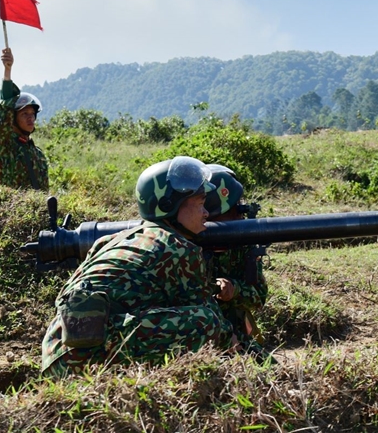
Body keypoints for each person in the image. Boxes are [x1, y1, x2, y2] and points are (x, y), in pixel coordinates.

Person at [40, 156, 240, 376]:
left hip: (56, 353)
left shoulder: (113, 240)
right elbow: (216, 325)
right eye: (201, 203)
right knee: (207, 322)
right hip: (86, 361)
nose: (206, 213)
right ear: (169, 206)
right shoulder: (178, 247)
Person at [204, 164, 268, 345]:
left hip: (235, 327)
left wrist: (234, 289)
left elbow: (259, 297)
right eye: (233, 209)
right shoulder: (185, 245)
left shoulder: (243, 246)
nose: (239, 215)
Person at [0, 47, 49, 190]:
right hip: (12, 209)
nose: (30, 118)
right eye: (24, 114)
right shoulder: (6, 145)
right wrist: (7, 71)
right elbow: (4, 111)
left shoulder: (38, 153)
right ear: (13, 118)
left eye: (32, 114)